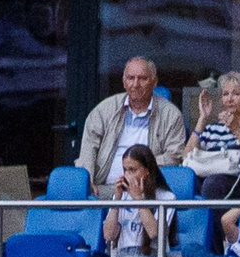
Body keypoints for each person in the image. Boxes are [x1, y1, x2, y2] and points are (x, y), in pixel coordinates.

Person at [75, 56, 187, 188]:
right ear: (124, 82)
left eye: (142, 78)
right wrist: (87, 182)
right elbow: (88, 151)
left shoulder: (171, 115)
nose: (135, 84)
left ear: (154, 82)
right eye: (130, 78)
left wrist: (142, 165)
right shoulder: (104, 110)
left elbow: (175, 156)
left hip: (147, 189)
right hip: (104, 188)